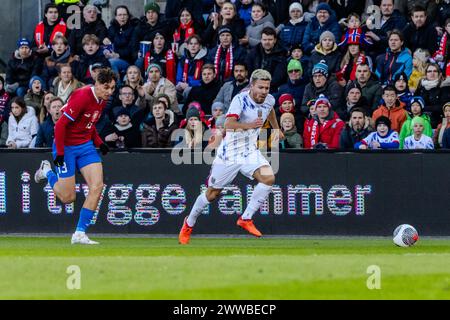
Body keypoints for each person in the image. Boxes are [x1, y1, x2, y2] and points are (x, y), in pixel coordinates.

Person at [178, 69, 282, 244]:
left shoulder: (269, 99)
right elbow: (229, 123)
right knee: (211, 194)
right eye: (260, 87)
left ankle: (246, 218)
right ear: (252, 85)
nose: (264, 91)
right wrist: (250, 125)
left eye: (266, 88)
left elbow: (269, 110)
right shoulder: (240, 100)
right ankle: (189, 223)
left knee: (268, 178)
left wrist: (275, 127)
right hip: (230, 153)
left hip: (249, 151)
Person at [33, 68, 117, 245]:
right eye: (107, 87)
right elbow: (60, 126)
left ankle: (79, 233)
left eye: (112, 88)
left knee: (97, 186)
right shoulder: (81, 96)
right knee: (67, 197)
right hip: (66, 146)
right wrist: (61, 154)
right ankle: (47, 171)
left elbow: (89, 123)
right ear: (97, 84)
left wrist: (99, 142)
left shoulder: (102, 100)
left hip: (85, 146)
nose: (110, 92)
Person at [246, 27, 288, 92]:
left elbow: (278, 78)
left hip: (272, 88)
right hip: (254, 86)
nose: (267, 42)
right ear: (261, 40)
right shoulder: (254, 52)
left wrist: (262, 86)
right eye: (265, 40)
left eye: (270, 39)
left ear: (275, 40)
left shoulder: (281, 54)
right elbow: (248, 71)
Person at [106, 5, 139, 80]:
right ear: (116, 17)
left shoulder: (133, 29)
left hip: (128, 60)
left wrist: (118, 54)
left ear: (128, 16)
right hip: (113, 56)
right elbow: (107, 43)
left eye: (124, 15)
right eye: (120, 15)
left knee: (112, 62)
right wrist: (104, 40)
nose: (122, 17)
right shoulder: (112, 28)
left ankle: (117, 86)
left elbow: (132, 48)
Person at [415, 63, 450, 128]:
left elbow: (443, 107)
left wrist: (423, 108)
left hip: (438, 123)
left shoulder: (444, 86)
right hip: (420, 123)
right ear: (426, 74)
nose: (432, 73)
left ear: (439, 74)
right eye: (429, 71)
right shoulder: (421, 85)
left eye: (435, 71)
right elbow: (415, 101)